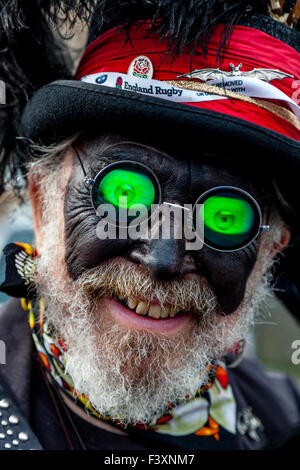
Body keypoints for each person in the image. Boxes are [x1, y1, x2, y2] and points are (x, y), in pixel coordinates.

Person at [0, 0, 299, 450]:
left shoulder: (286, 421)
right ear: (44, 203)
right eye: (125, 194)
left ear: (270, 253)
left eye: (225, 217)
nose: (163, 258)